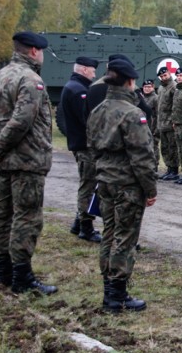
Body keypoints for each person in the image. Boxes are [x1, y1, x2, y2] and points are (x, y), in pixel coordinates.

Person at [0, 31, 57, 294]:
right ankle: (22, 277)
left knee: (3, 216)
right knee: (27, 218)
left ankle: (3, 272)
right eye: (42, 51)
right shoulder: (31, 79)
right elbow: (21, 121)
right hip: (27, 161)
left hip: (5, 162)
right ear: (34, 51)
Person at [87, 59, 157, 312]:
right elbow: (142, 157)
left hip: (105, 180)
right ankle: (116, 296)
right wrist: (150, 189)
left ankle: (110, 290)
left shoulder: (98, 109)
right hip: (127, 184)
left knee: (109, 233)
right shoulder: (131, 113)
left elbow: (92, 147)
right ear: (129, 82)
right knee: (124, 238)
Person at [59, 56, 103, 243]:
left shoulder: (73, 86)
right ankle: (86, 227)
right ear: (84, 70)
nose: (94, 74)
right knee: (88, 186)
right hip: (86, 146)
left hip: (81, 145)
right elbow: (87, 121)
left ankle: (78, 223)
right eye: (92, 70)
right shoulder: (79, 91)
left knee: (88, 184)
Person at [156, 67, 180, 181]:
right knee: (164, 147)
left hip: (170, 123)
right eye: (161, 76)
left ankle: (174, 170)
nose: (163, 78)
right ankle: (169, 168)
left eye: (165, 75)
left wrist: (174, 120)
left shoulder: (174, 87)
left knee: (172, 147)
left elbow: (176, 106)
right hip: (162, 122)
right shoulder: (161, 87)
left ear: (169, 74)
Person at [142, 79, 160, 170]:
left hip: (152, 127)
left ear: (153, 87)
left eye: (149, 87)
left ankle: (155, 166)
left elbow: (158, 114)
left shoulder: (155, 98)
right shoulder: (141, 98)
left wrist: (156, 128)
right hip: (143, 127)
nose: (147, 89)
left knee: (153, 147)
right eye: (145, 87)